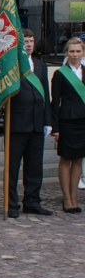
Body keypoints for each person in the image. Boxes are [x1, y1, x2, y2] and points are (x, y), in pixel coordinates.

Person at [7, 29, 53, 218]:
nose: (29, 44)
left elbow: (46, 95)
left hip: (36, 123)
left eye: (31, 41)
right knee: (12, 167)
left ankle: (32, 201)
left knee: (35, 166)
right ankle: (11, 203)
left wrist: (48, 121)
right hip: (17, 123)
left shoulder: (41, 65)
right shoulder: (12, 65)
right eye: (25, 41)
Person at [51, 37, 85, 213]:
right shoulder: (60, 74)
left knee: (78, 159)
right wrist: (55, 127)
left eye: (78, 51)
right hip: (67, 121)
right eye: (72, 51)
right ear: (66, 53)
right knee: (66, 159)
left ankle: (74, 197)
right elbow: (55, 102)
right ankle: (66, 198)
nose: (75, 55)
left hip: (83, 121)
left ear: (83, 53)